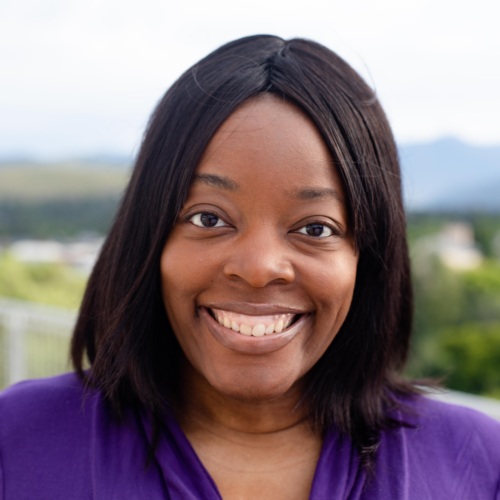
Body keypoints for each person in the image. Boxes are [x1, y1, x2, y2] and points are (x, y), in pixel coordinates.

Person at [1, 34, 499, 499]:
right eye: (208, 217)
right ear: (148, 236)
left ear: (367, 257)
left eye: (315, 228)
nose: (259, 268)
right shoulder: (17, 443)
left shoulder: (477, 466)